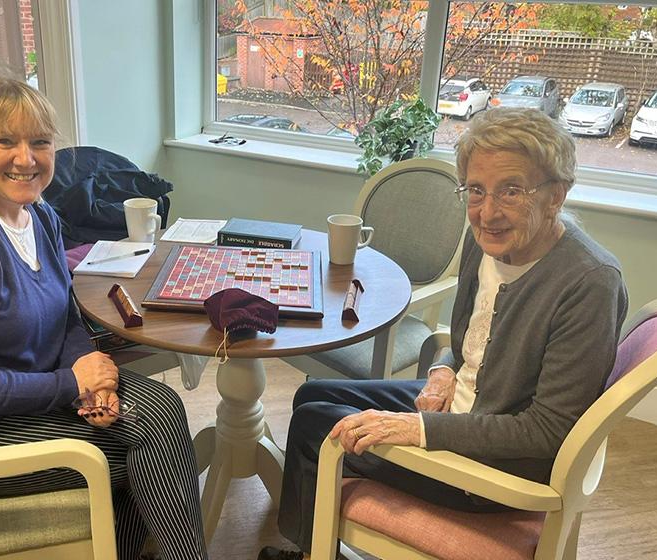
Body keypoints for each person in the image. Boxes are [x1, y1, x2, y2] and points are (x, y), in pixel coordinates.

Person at [259, 107, 629, 560]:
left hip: (497, 466)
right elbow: (465, 344)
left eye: (510, 191)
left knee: (318, 423)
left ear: (557, 194)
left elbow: (547, 431)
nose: (487, 212)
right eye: (475, 190)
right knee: (311, 395)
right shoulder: (484, 240)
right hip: (465, 407)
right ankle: (313, 543)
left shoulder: (589, 283)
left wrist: (418, 429)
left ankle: (311, 551)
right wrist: (440, 370)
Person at [0, 78, 208, 560]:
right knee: (149, 447)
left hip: (27, 392)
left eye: (39, 141)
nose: (26, 157)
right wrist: (69, 385)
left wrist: (94, 380)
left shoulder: (38, 214)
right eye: (5, 141)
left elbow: (62, 316)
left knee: (158, 408)